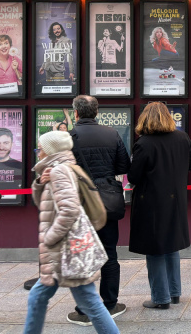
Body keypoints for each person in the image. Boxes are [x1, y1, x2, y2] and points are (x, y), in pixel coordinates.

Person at [24, 130, 119, 334]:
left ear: (50, 151)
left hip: (65, 251)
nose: (38, 153)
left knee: (89, 303)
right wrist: (40, 183)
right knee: (39, 297)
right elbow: (46, 203)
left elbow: (69, 210)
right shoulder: (59, 169)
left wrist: (50, 238)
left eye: (39, 149)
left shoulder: (60, 171)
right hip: (64, 252)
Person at [65, 96, 130, 324]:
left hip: (79, 202)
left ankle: (85, 309)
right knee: (109, 254)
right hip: (106, 202)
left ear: (76, 113)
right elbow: (123, 166)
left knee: (82, 255)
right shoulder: (111, 133)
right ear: (97, 111)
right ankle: (110, 304)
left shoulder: (69, 137)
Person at [128, 102, 191, 309]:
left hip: (151, 202)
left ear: (145, 119)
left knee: (155, 249)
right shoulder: (182, 138)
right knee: (171, 246)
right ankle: (174, 293)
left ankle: (160, 298)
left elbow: (133, 176)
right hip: (176, 201)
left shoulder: (144, 143)